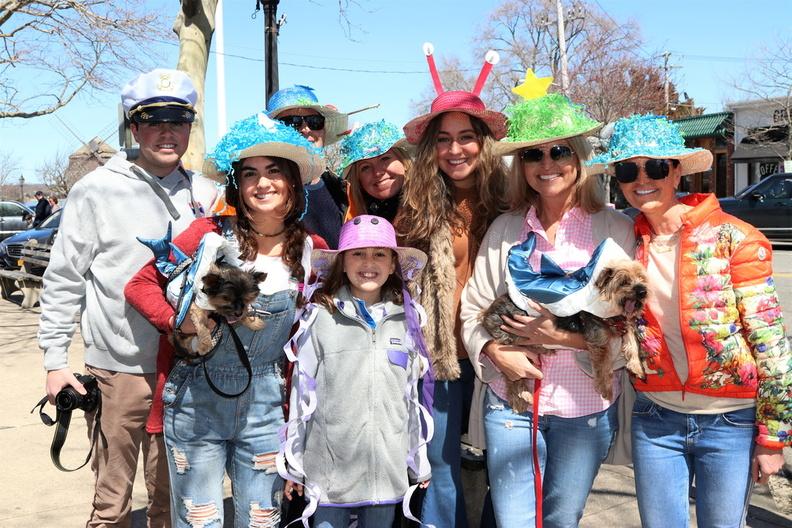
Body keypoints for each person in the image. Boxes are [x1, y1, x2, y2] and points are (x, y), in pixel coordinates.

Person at [125, 112, 327, 528]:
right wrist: (177, 321)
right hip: (195, 401)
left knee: (261, 519)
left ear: (292, 180)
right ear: (238, 184)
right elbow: (140, 286)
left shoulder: (313, 250)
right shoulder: (208, 234)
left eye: (274, 171)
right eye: (249, 173)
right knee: (199, 520)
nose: (262, 183)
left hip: (269, 405)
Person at [589, 114, 791, 528]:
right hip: (655, 417)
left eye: (656, 166)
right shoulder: (624, 245)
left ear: (676, 170)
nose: (641, 178)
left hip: (730, 421)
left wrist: (773, 438)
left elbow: (772, 345)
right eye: (628, 169)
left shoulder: (735, 238)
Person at [38, 68, 216, 527]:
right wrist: (55, 361)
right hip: (119, 373)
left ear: (189, 128)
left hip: (187, 373)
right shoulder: (95, 190)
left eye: (178, 121)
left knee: (171, 501)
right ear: (134, 127)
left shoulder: (205, 193)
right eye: (153, 121)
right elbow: (63, 279)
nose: (167, 132)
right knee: (111, 504)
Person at [460, 78, 637, 527]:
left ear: (578, 156)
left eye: (559, 151)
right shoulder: (506, 228)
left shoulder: (615, 229)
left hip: (584, 408)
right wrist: (496, 351)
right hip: (512, 404)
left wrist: (560, 337)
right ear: (520, 166)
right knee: (514, 520)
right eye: (533, 154)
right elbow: (473, 307)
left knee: (561, 518)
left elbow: (633, 325)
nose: (547, 163)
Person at [395, 45, 508, 528]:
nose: (455, 149)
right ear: (430, 148)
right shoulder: (414, 208)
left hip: (501, 354)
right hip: (439, 359)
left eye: (466, 137)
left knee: (506, 466)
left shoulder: (510, 203)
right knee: (439, 463)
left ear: (483, 143)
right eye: (444, 139)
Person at [280, 215, 433, 528]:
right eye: (358, 253)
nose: (369, 262)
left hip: (387, 477)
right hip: (330, 474)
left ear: (393, 265)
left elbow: (412, 397)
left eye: (380, 254)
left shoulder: (407, 319)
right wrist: (294, 464)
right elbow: (301, 392)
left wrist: (419, 462)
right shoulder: (320, 316)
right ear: (342, 263)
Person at [266, 84, 349, 248]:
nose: (305, 129)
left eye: (314, 121)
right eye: (291, 122)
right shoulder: (261, 192)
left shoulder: (344, 191)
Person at [339, 120, 411, 222]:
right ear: (358, 179)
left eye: (385, 159)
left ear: (403, 161)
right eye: (365, 167)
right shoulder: (346, 219)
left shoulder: (435, 203)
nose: (377, 172)